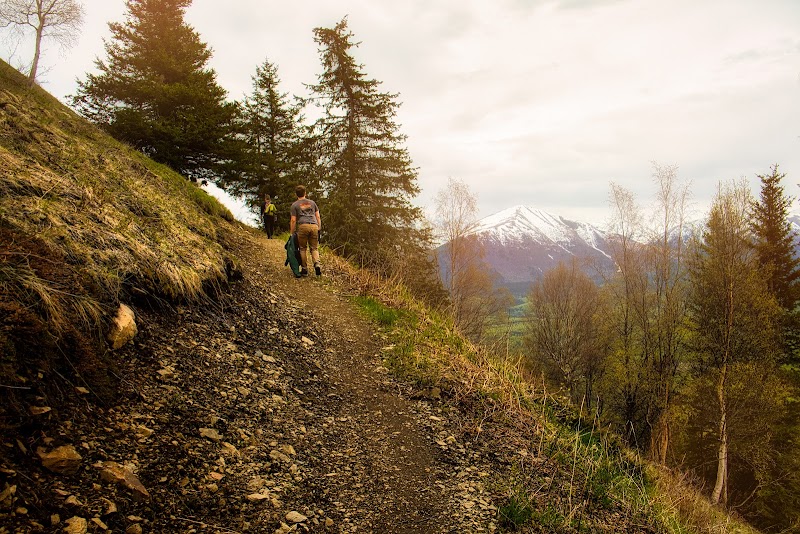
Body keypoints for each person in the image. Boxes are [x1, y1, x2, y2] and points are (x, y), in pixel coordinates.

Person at [290, 185, 321, 277]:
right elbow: (318, 216)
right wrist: (319, 227)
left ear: (296, 194)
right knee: (314, 248)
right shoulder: (312, 203)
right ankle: (317, 263)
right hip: (314, 225)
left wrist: (292, 232)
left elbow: (293, 220)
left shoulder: (294, 205)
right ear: (305, 193)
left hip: (303, 226)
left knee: (302, 248)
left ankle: (304, 269)